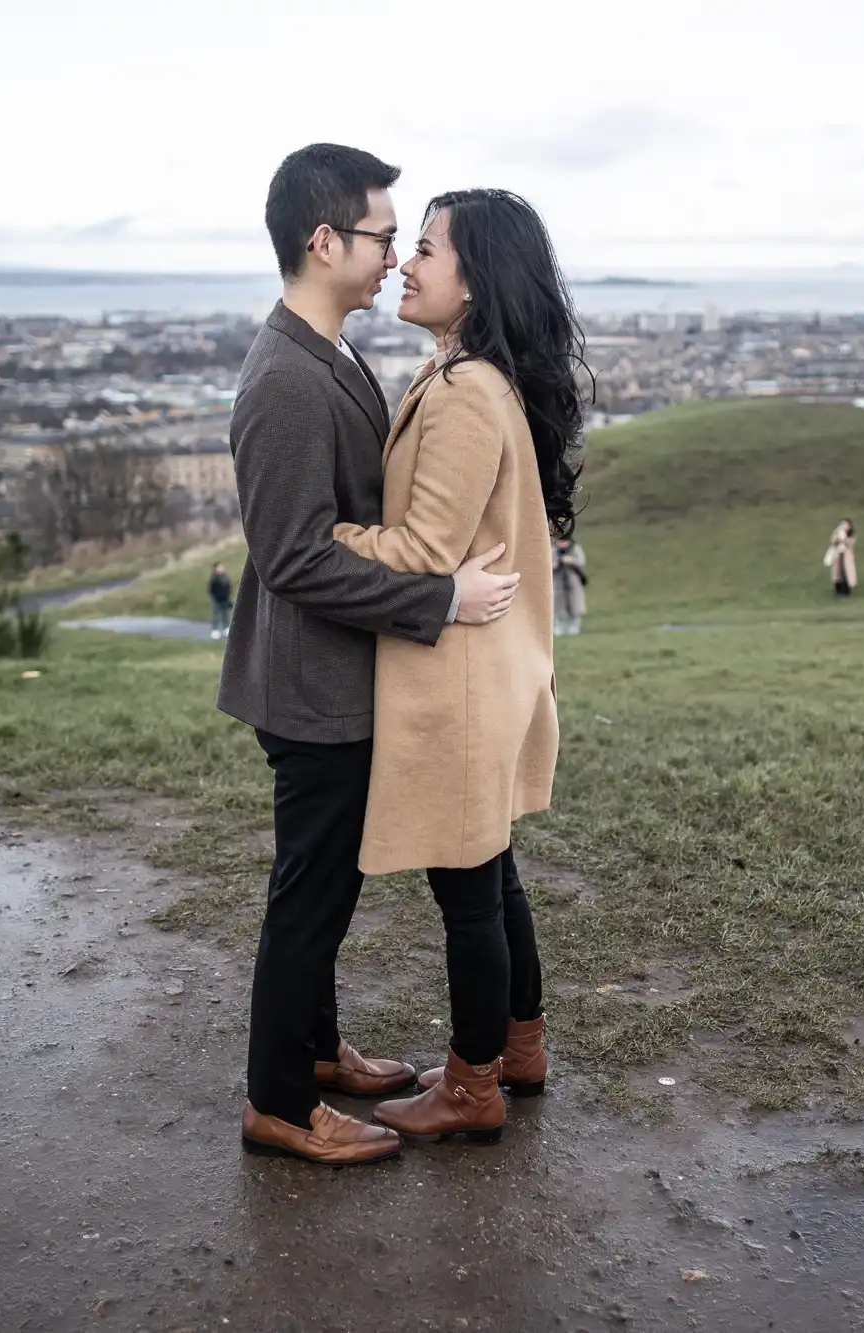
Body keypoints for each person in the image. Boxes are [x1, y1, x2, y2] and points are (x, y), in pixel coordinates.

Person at [219, 145, 524, 1167]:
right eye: (384, 235)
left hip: (336, 673)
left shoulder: (333, 351)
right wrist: (439, 595)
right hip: (308, 684)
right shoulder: (286, 380)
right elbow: (295, 557)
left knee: (325, 889)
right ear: (323, 242)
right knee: (311, 896)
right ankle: (278, 1102)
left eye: (406, 242)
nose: (395, 255)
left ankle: (313, 1052)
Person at [327, 188, 583, 1145]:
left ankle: (474, 1086)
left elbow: (425, 549)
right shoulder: (470, 376)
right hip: (487, 668)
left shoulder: (470, 391)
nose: (405, 263)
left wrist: (330, 538)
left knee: (468, 888)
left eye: (426, 249)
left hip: (462, 677)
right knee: (493, 875)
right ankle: (518, 1048)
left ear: (475, 282)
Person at [551, 536, 587, 635]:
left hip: (574, 582)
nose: (563, 543)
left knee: (575, 605)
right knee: (558, 606)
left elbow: (581, 562)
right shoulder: (553, 550)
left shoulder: (575, 549)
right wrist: (559, 562)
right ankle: (559, 628)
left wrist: (572, 561)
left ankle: (574, 628)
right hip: (558, 582)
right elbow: (548, 564)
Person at [824, 519, 857, 596]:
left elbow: (850, 543)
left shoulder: (851, 535)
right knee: (838, 573)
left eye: (845, 525)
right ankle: (838, 588)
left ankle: (846, 590)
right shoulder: (837, 533)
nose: (843, 526)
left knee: (846, 573)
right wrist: (838, 538)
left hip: (846, 556)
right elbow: (833, 541)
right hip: (838, 555)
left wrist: (844, 539)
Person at [206, 562, 233, 640]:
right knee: (216, 615)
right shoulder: (214, 578)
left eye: (221, 567)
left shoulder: (226, 577)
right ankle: (215, 630)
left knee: (225, 614)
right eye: (218, 568)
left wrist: (228, 597)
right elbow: (211, 589)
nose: (220, 569)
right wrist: (214, 597)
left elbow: (229, 588)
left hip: (225, 598)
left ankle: (226, 629)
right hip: (216, 599)